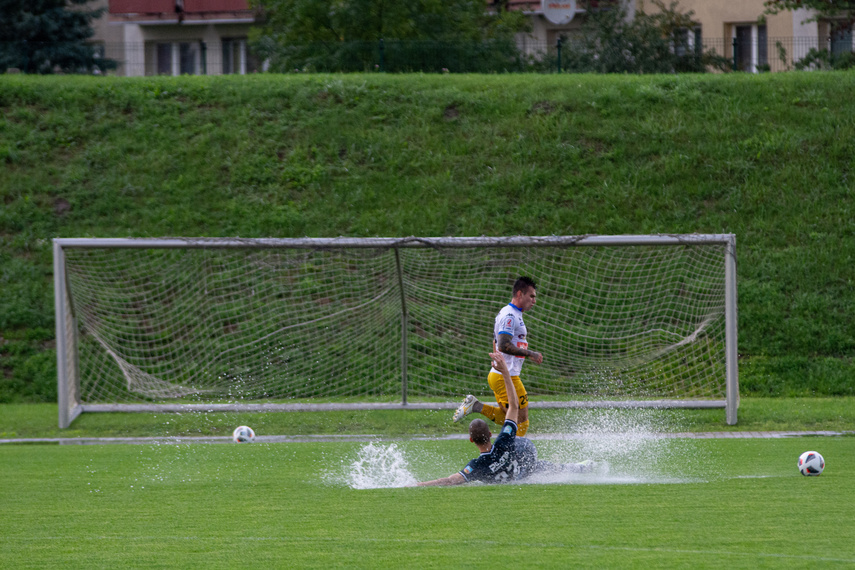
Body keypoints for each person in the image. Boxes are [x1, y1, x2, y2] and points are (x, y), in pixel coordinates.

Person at [416, 351, 593, 486]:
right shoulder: (503, 440)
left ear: (471, 440)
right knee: (530, 463)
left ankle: (570, 467)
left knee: (522, 467)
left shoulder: (477, 466)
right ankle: (576, 467)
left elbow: (450, 480)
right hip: (525, 455)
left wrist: (418, 485)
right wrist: (506, 373)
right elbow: (514, 407)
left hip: (518, 464)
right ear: (491, 433)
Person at [453, 276, 542, 436]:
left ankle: (476, 406)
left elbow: (496, 340)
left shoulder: (514, 313)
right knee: (519, 420)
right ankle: (515, 455)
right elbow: (503, 344)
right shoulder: (510, 316)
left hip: (509, 375)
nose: (534, 300)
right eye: (532, 296)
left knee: (519, 418)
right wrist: (531, 354)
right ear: (520, 294)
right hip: (503, 376)